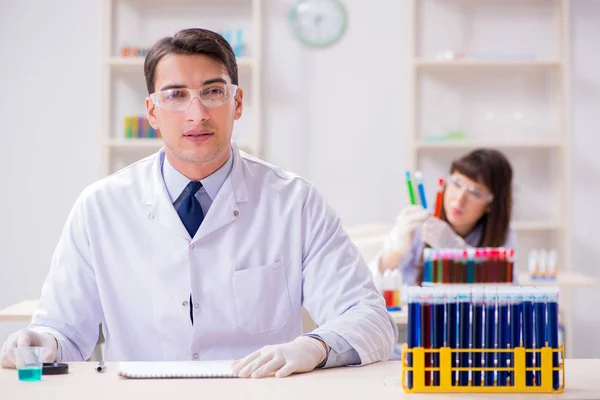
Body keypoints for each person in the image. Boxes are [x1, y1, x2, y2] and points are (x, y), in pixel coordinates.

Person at [0, 28, 397, 378]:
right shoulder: (100, 207)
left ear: (237, 103)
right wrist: (40, 340)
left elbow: (372, 320)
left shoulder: (294, 202)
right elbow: (66, 334)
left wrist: (314, 346)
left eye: (213, 92)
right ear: (152, 111)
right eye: (176, 95)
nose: (197, 112)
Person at [373, 148, 516, 285]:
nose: (459, 199)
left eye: (474, 193)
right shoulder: (419, 223)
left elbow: (508, 291)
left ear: (490, 204)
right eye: (457, 184)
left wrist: (457, 250)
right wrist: (396, 251)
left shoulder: (502, 235)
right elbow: (370, 284)